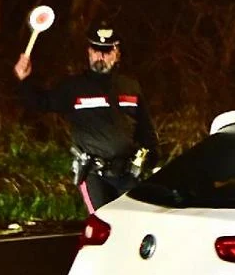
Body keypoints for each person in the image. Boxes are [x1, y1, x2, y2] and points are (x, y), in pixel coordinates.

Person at [13, 22, 158, 213]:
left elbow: (145, 128)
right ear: (89, 52)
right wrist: (24, 81)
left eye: (107, 51)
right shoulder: (74, 87)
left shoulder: (130, 86)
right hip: (94, 175)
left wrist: (153, 158)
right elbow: (40, 102)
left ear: (117, 54)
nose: (101, 56)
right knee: (103, 225)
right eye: (97, 50)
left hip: (128, 172)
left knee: (134, 225)